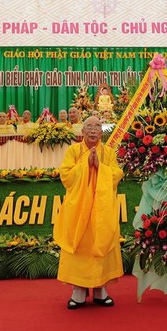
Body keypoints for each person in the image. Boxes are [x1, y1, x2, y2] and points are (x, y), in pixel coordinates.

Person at [52, 116, 124, 309]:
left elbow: (117, 174)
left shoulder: (108, 152)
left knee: (102, 242)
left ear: (102, 132)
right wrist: (85, 164)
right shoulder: (73, 151)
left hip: (102, 208)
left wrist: (100, 166)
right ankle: (78, 291)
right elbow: (66, 176)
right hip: (78, 209)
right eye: (89, 126)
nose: (93, 130)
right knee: (80, 245)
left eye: (97, 126)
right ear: (82, 131)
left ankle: (101, 290)